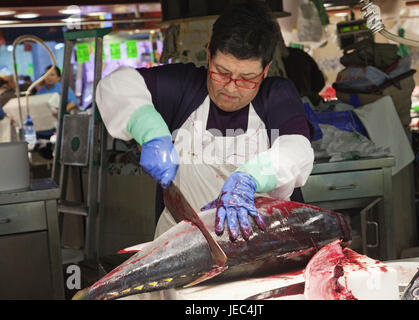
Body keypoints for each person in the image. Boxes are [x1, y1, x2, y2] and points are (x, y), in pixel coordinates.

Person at [96, 1, 315, 241]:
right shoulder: (184, 86)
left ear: (265, 70)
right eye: (222, 72)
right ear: (209, 55)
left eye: (247, 78)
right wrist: (150, 131)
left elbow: (297, 149)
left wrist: (251, 176)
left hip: (262, 245)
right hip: (181, 244)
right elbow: (115, 85)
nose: (231, 88)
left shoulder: (276, 96)